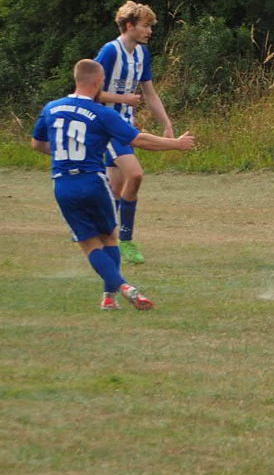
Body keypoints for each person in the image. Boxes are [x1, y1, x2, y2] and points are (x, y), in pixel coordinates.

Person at [32, 59, 195, 310]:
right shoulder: (102, 113)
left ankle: (111, 298)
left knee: (89, 244)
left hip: (63, 185)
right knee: (109, 238)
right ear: (98, 81)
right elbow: (139, 140)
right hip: (93, 182)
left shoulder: (51, 108)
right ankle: (120, 287)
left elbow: (38, 144)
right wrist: (176, 144)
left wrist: (65, 153)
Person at [94, 1, 175, 265]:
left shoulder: (142, 54)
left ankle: (107, 239)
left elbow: (150, 93)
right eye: (145, 26)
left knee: (116, 189)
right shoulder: (110, 51)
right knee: (136, 175)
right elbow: (89, 92)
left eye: (151, 26)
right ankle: (125, 241)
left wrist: (166, 124)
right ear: (129, 26)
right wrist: (123, 99)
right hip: (107, 126)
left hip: (125, 126)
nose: (149, 31)